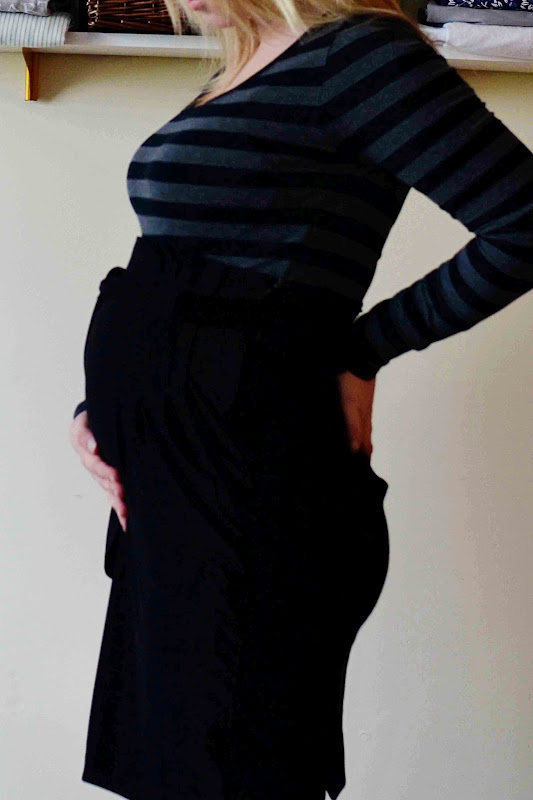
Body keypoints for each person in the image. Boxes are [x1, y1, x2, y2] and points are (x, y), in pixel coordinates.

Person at [69, 1, 533, 799]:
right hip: (175, 484)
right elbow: (180, 273)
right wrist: (98, 413)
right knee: (173, 761)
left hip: (249, 481)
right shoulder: (243, 63)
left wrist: (364, 348)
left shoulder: (357, 54)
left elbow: (523, 221)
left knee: (233, 762)